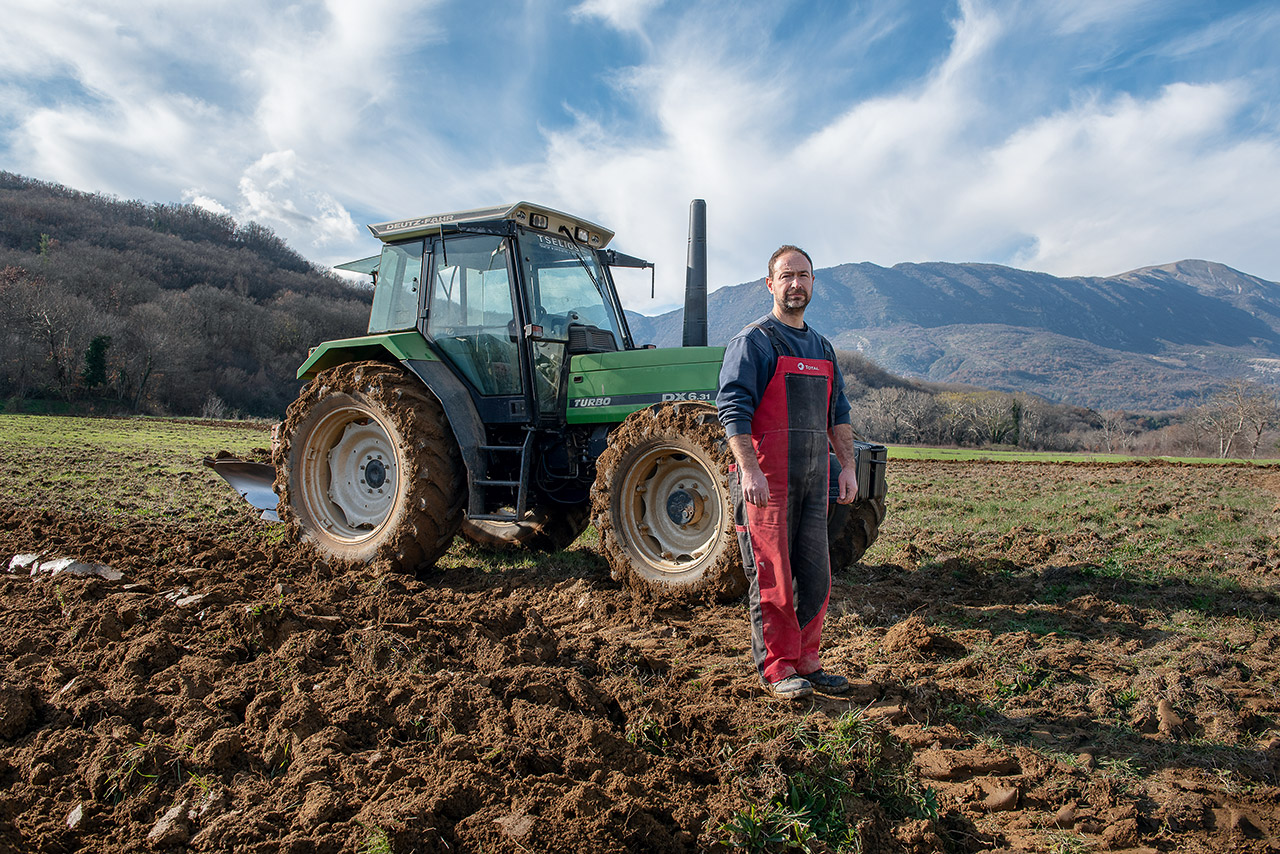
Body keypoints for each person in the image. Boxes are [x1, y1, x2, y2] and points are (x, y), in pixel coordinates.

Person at [716, 245, 859, 700]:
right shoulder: (754, 341)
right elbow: (733, 410)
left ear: (813, 283)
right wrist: (749, 471)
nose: (796, 284)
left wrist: (849, 468)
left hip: (816, 481)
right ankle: (778, 668)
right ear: (770, 284)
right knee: (771, 574)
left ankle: (807, 661)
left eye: (804, 275)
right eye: (786, 276)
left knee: (816, 574)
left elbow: (838, 415)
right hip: (768, 484)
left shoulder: (822, 347)